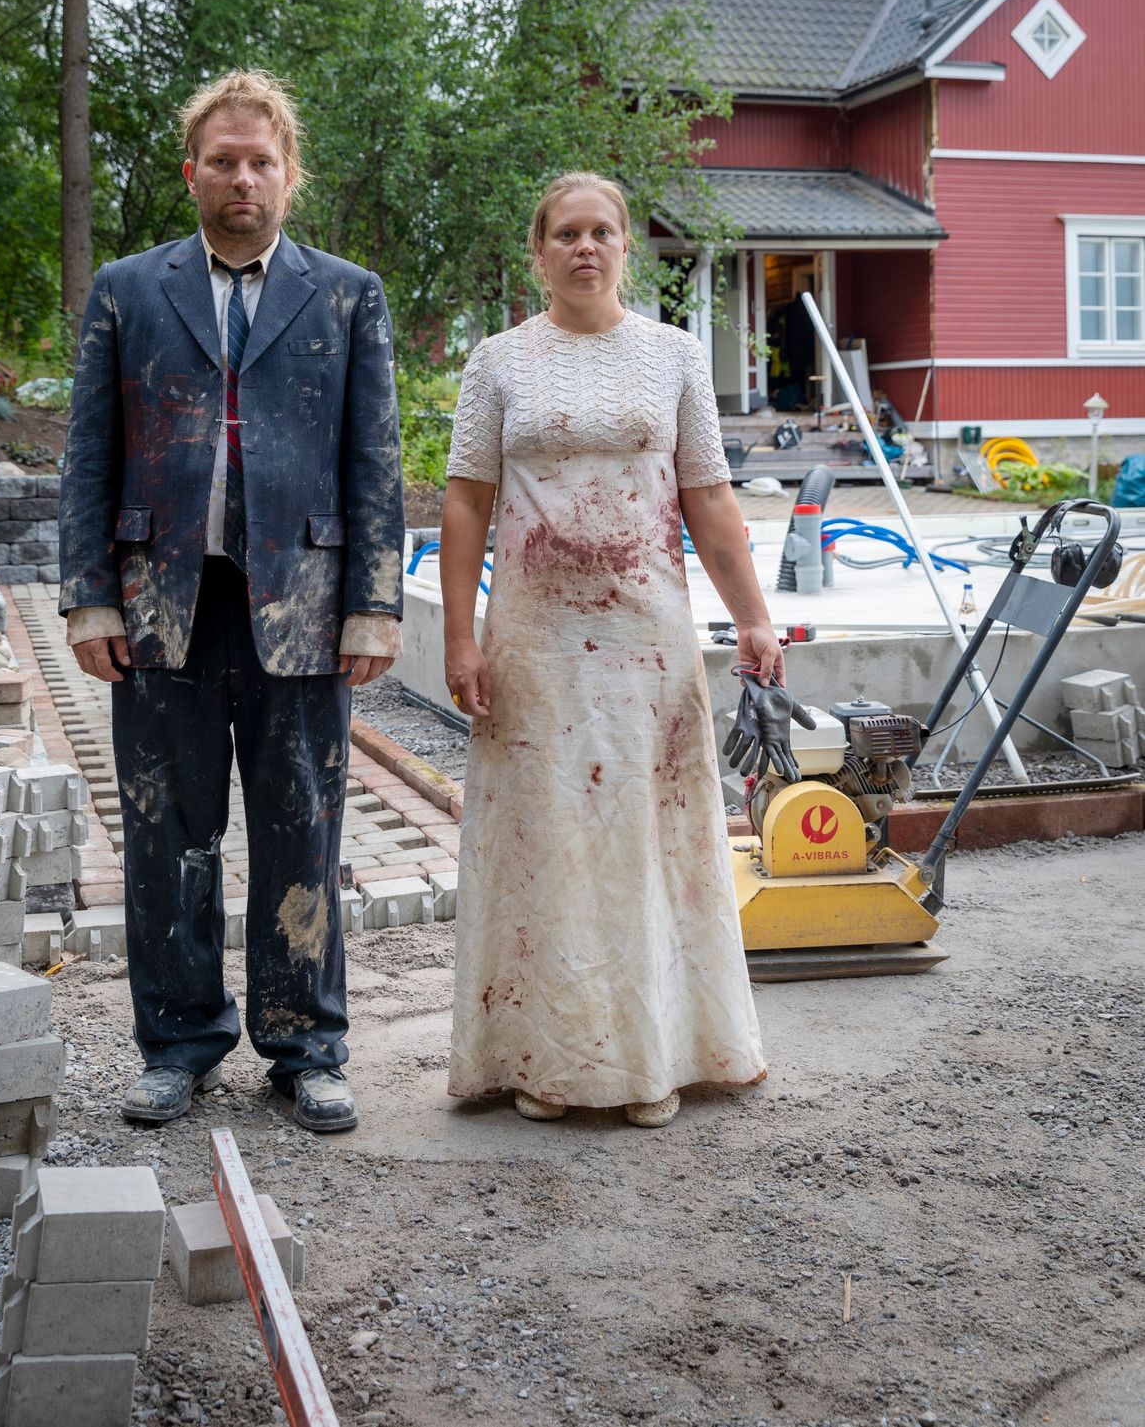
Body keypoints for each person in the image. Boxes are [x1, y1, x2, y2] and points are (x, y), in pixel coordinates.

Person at [59, 68, 404, 1132]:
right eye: (223, 161)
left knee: (303, 831)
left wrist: (375, 602)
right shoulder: (128, 290)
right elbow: (89, 454)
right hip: (163, 604)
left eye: (261, 161)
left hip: (303, 608)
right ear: (191, 173)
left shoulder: (346, 294)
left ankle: (306, 1048)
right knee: (168, 834)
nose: (242, 178)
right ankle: (178, 1043)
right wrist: (89, 598)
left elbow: (374, 457)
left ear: (289, 174)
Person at [440, 172, 780, 1127]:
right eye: (566, 233)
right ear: (538, 251)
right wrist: (460, 633)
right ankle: (542, 1060)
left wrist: (754, 616)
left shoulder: (674, 356)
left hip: (646, 639)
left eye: (602, 232)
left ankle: (655, 1058)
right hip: (535, 644)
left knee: (643, 835)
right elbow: (465, 499)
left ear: (627, 247)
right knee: (546, 834)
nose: (585, 247)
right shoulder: (497, 362)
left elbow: (709, 497)